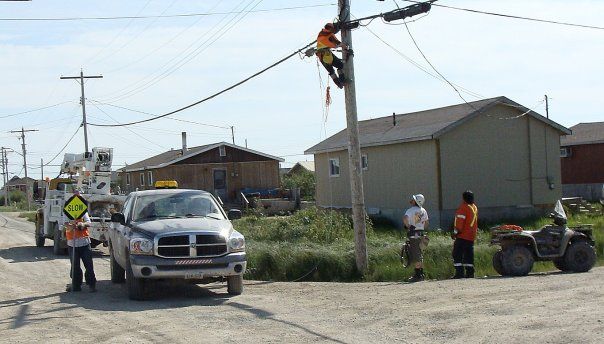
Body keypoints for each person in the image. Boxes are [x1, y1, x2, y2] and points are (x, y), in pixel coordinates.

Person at [65, 193, 97, 292]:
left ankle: (92, 285)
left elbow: (89, 222)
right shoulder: (67, 212)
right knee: (75, 267)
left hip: (85, 243)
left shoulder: (83, 212)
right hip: (72, 244)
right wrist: (71, 225)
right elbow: (65, 225)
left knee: (89, 265)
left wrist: (82, 224)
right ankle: (76, 285)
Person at [451, 190, 479, 279]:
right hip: (471, 236)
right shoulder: (474, 207)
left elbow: (460, 223)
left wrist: (455, 233)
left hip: (462, 235)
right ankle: (470, 273)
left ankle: (459, 273)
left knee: (457, 254)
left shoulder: (463, 207)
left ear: (464, 198)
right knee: (469, 255)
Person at [403, 194, 429, 282]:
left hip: (413, 234)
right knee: (420, 253)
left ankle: (418, 275)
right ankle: (421, 273)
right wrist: (421, 228)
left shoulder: (410, 210)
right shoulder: (423, 210)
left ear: (416, 201)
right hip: (421, 233)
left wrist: (408, 226)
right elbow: (426, 223)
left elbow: (405, 218)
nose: (411, 200)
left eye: (413, 199)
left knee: (415, 253)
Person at [316, 22, 348, 89]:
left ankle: (340, 83)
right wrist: (344, 46)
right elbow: (335, 45)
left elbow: (336, 42)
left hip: (323, 55)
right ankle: (341, 82)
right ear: (330, 28)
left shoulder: (323, 34)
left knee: (332, 70)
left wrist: (341, 45)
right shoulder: (324, 36)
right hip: (324, 55)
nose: (334, 30)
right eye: (333, 29)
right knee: (339, 65)